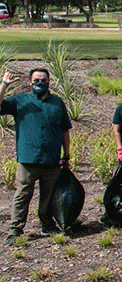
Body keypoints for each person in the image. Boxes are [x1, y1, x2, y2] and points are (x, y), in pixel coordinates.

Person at [0, 68, 71, 245]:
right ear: (30, 82)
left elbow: (65, 130)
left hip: (52, 159)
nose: (40, 83)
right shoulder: (19, 100)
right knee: (22, 195)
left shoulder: (57, 103)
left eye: (43, 80)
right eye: (36, 80)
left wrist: (67, 154)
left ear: (49, 82)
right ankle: (15, 230)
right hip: (27, 158)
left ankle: (47, 225)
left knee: (48, 196)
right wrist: (4, 84)